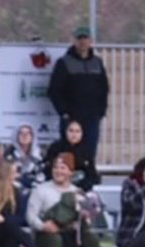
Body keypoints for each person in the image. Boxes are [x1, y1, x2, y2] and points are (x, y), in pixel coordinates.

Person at [27, 153, 102, 247]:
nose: (59, 171)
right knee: (55, 239)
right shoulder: (41, 190)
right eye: (56, 167)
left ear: (70, 172)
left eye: (63, 168)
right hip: (46, 234)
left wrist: (84, 218)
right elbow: (31, 217)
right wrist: (43, 226)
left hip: (71, 233)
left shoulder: (77, 192)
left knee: (91, 239)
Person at [47, 26, 110, 163]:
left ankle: (88, 178)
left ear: (91, 41)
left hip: (92, 118)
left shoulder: (97, 63)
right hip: (71, 117)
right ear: (74, 41)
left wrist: (101, 111)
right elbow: (54, 90)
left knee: (89, 152)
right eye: (79, 38)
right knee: (67, 154)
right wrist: (63, 112)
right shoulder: (64, 63)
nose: (83, 42)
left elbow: (104, 88)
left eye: (85, 38)